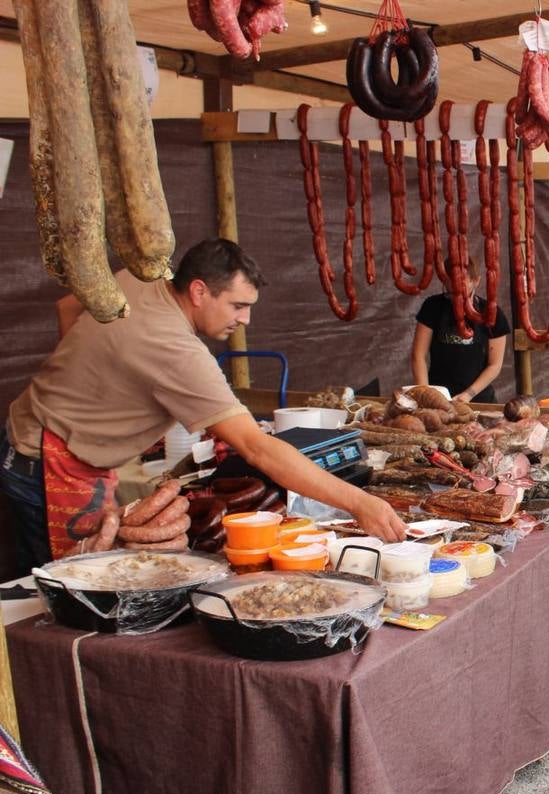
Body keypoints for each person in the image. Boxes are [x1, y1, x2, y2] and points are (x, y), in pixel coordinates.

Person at [1, 239, 406, 570]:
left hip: (32, 435)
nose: (245, 320)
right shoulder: (177, 350)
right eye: (237, 306)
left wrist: (87, 378)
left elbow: (68, 307)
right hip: (52, 464)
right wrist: (359, 502)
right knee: (63, 587)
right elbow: (256, 447)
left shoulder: (145, 277)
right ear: (198, 291)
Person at [411, 257, 510, 403]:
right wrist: (426, 395)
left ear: (476, 281)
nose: (455, 286)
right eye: (450, 280)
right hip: (438, 397)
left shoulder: (491, 312)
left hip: (479, 399)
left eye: (462, 280)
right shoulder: (432, 306)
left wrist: (468, 394)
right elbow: (418, 355)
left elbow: (494, 365)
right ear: (444, 280)